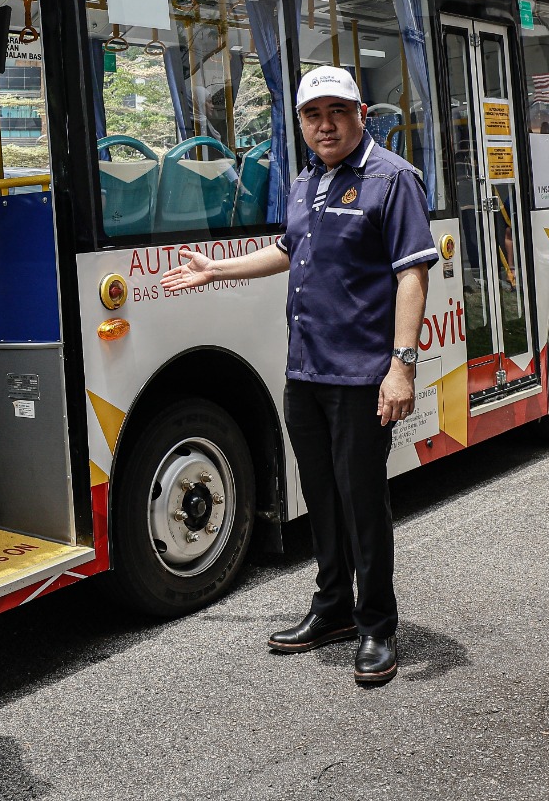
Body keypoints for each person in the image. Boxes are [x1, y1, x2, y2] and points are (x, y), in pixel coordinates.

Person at [160, 65, 436, 686]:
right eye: (313, 115)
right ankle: (334, 606)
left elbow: (412, 274)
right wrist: (217, 270)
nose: (324, 125)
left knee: (363, 501)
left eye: (336, 112)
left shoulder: (392, 180)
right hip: (305, 373)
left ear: (360, 113)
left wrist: (402, 366)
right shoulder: (306, 180)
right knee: (322, 498)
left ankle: (376, 626)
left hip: (363, 375)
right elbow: (288, 249)